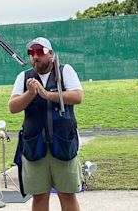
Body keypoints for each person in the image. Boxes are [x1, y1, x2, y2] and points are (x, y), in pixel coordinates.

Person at [8, 37, 83, 211]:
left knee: (67, 194)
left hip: (63, 142)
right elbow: (13, 107)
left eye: (40, 52)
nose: (35, 56)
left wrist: (47, 94)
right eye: (31, 53)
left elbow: (78, 96)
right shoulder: (24, 76)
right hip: (35, 145)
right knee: (39, 196)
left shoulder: (65, 71)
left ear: (51, 54)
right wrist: (31, 93)